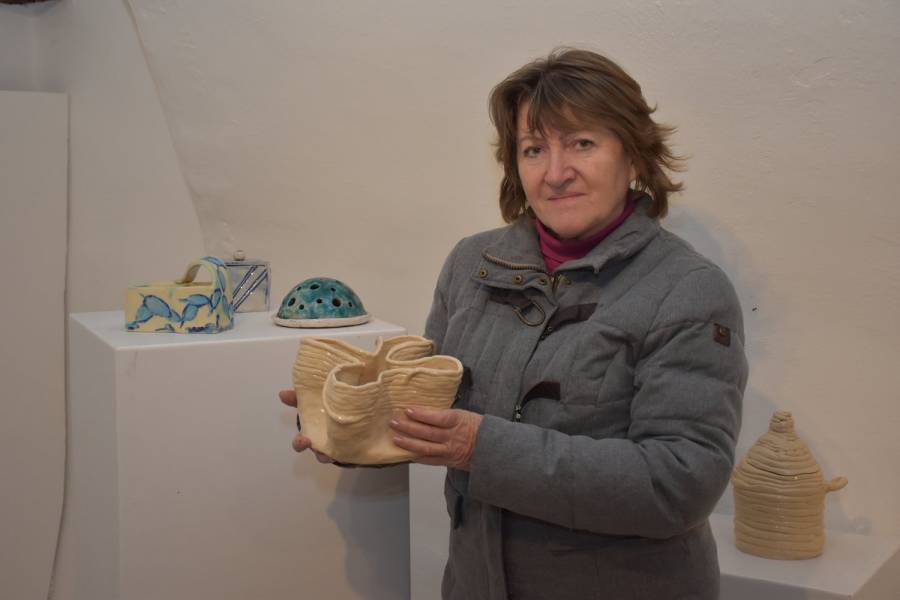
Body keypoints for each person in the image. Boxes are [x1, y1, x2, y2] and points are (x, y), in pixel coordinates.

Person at [281, 47, 748, 600]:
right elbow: (426, 408)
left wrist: (480, 448)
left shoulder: (689, 289)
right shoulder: (470, 263)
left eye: (582, 143)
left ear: (633, 156)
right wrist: (352, 422)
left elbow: (679, 481)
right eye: (533, 149)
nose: (556, 173)